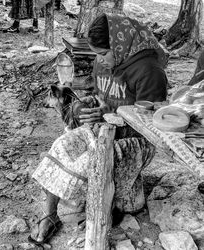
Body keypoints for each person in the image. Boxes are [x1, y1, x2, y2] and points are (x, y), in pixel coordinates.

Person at [29, 13, 168, 245]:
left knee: (91, 162)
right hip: (103, 128)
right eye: (96, 54)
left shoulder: (150, 71)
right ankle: (50, 214)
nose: (99, 60)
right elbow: (101, 96)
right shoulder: (103, 61)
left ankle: (106, 208)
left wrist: (108, 115)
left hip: (135, 140)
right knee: (62, 145)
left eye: (103, 54)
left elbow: (150, 126)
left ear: (120, 44)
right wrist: (93, 106)